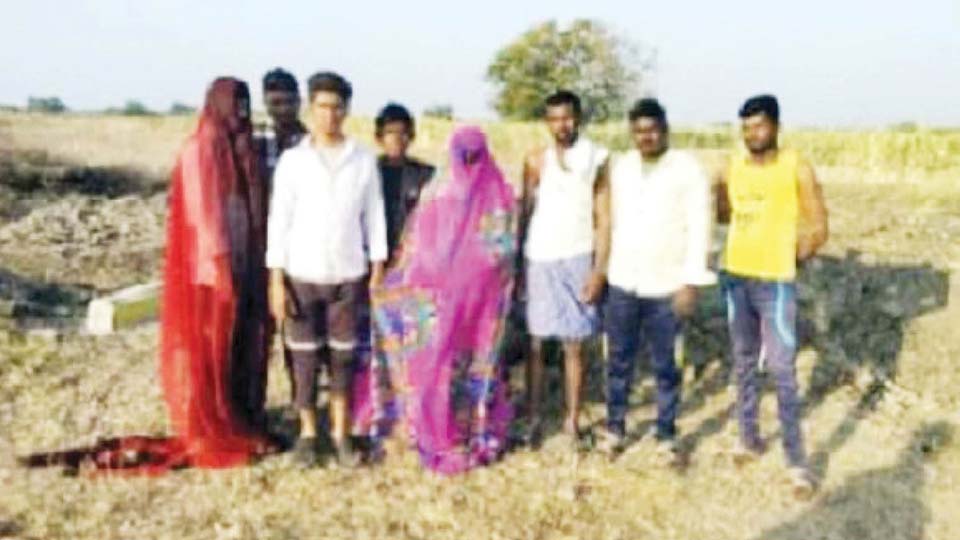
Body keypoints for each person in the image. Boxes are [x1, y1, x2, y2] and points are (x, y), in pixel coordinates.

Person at [18, 77, 276, 474]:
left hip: (242, 261)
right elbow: (204, 216)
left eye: (245, 105)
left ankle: (236, 414)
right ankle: (208, 424)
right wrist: (222, 264)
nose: (240, 113)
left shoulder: (239, 150)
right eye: (234, 105)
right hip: (211, 270)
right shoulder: (201, 149)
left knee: (234, 345)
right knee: (208, 347)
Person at [353, 126, 516, 474]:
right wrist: (401, 283)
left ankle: (469, 427)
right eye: (462, 155)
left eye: (474, 156)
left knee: (471, 366)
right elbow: (418, 246)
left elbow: (503, 251)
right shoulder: (439, 192)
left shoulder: (499, 194)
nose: (468, 163)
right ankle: (429, 428)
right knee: (433, 365)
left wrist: (479, 274)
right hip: (438, 301)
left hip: (480, 307)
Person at [266, 72, 387, 468]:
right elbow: (279, 221)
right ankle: (307, 434)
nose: (329, 115)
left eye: (337, 107)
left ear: (347, 110)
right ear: (310, 108)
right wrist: (276, 280)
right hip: (301, 274)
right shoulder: (294, 161)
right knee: (303, 359)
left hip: (348, 274)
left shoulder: (362, 159)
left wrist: (377, 265)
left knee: (343, 359)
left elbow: (374, 216)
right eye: (322, 107)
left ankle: (340, 434)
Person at [716, 94, 829, 494]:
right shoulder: (732, 167)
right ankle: (748, 438)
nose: (752, 134)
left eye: (759, 126)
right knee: (744, 362)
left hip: (775, 283)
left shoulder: (796, 167)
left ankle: (796, 461)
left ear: (776, 127)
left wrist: (789, 257)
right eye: (746, 128)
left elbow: (818, 227)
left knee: (782, 370)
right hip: (736, 278)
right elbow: (722, 212)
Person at [599, 98, 715, 460]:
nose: (645, 137)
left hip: (667, 284)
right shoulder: (623, 168)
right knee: (618, 360)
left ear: (665, 129)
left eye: (652, 130)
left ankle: (666, 433)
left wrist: (691, 281)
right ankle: (615, 428)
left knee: (667, 364)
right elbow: (609, 220)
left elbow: (700, 227)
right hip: (623, 280)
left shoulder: (687, 169)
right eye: (638, 131)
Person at [518, 90, 611, 447]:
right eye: (555, 119)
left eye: (568, 118)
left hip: (578, 256)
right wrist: (518, 267)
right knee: (537, 344)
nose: (562, 125)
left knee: (575, 345)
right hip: (540, 258)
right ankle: (534, 419)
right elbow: (525, 213)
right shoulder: (535, 160)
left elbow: (604, 219)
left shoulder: (597, 158)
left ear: (579, 118)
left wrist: (599, 270)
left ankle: (572, 421)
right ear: (547, 122)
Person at [252, 67, 308, 416]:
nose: (282, 110)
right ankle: (254, 402)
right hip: (258, 246)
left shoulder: (310, 143)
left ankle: (300, 400)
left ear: (299, 102)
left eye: (288, 102)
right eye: (275, 103)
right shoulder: (255, 141)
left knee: (298, 330)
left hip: (299, 247)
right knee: (258, 331)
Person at [374, 103, 435, 261]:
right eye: (390, 132)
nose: (397, 139)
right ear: (379, 137)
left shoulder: (425, 175)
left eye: (403, 133)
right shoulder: (368, 172)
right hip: (373, 258)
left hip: (412, 258)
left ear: (411, 136)